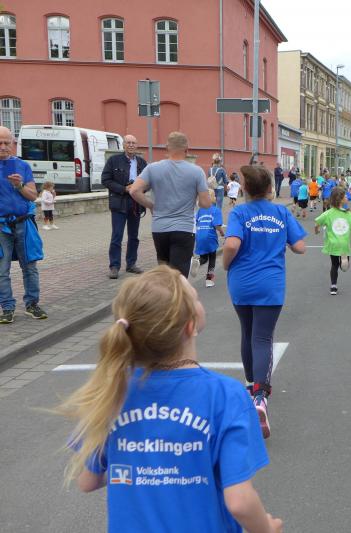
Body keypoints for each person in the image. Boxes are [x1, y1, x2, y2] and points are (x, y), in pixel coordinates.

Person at [57, 266, 283, 533]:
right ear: (191, 326)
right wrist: (266, 528)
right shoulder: (226, 395)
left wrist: (141, 468)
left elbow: (87, 481)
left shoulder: (111, 392)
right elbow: (240, 502)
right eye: (195, 297)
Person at [223, 165, 306, 438]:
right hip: (270, 284)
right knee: (262, 338)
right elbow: (300, 247)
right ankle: (260, 396)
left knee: (247, 333)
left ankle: (251, 387)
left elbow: (231, 245)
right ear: (270, 188)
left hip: (242, 282)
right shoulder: (281, 212)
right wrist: (282, 241)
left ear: (245, 188)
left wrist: (225, 264)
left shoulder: (239, 213)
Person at [129, 132, 212, 277]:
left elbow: (134, 190)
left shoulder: (152, 168)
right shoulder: (196, 171)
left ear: (167, 148)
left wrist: (151, 205)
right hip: (184, 229)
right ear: (187, 149)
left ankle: (165, 292)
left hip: (159, 229)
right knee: (179, 278)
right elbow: (205, 204)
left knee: (164, 274)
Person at [0, 126, 47, 324]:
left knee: (30, 267)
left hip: (23, 225)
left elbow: (33, 196)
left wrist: (19, 186)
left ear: (13, 143)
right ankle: (7, 308)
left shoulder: (22, 166)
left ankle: (32, 304)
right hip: (1, 227)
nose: (3, 147)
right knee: (2, 270)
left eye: (7, 142)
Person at [101, 134, 148, 279]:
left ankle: (131, 264)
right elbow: (105, 180)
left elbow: (149, 181)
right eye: (128, 142)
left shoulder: (142, 162)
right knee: (117, 236)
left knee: (134, 236)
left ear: (137, 145)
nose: (131, 145)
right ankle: (114, 266)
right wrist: (123, 189)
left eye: (133, 143)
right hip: (119, 202)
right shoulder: (113, 160)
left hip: (136, 203)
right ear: (123, 145)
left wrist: (139, 189)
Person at [315, 188, 351, 295]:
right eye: (345, 196)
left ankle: (333, 286)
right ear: (340, 200)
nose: (347, 197)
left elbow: (317, 223)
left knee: (334, 265)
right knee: (344, 267)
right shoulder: (347, 213)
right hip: (344, 243)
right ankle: (344, 259)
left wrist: (317, 230)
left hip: (333, 243)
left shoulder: (328, 213)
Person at [191, 191, 225, 288]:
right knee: (212, 258)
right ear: (212, 198)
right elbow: (217, 225)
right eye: (214, 195)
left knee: (204, 258)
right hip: (210, 237)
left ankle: (198, 262)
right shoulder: (216, 210)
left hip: (199, 236)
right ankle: (209, 280)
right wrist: (222, 233)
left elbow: (196, 222)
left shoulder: (200, 211)